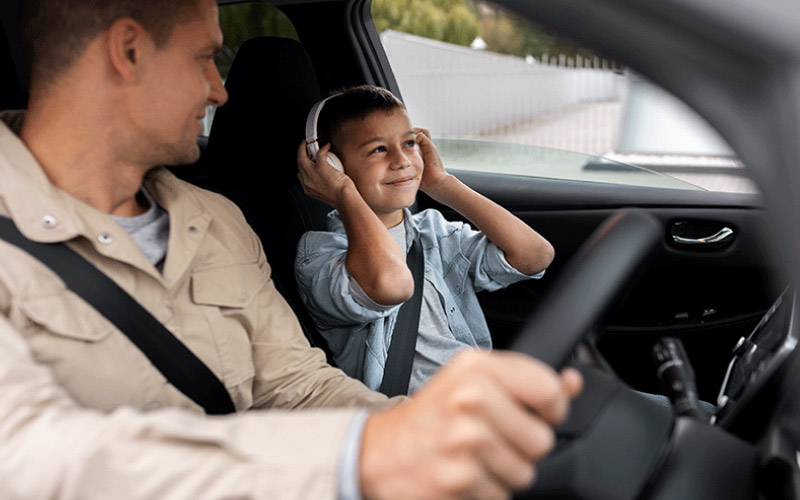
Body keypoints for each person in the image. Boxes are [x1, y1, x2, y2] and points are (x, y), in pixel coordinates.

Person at [0, 0, 582, 498]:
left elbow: (297, 385)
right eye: (205, 58)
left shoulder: (216, 219)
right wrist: (361, 456)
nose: (220, 90)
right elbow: (29, 457)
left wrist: (433, 435)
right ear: (128, 51)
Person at [295, 86, 555, 393]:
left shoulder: (434, 233)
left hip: (480, 396)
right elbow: (390, 284)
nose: (402, 160)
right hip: (415, 421)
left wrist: (442, 184)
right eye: (378, 149)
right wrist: (343, 194)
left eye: (409, 143)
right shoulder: (320, 255)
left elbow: (534, 255)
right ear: (334, 166)